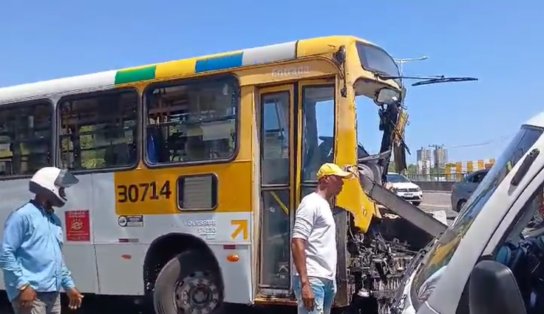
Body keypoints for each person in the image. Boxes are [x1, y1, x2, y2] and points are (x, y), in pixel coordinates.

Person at [0, 167, 84, 314]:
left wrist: (69, 285)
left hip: (53, 292)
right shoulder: (22, 216)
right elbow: (6, 254)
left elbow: (57, 258)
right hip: (31, 294)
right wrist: (23, 287)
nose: (64, 193)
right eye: (61, 189)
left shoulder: (54, 220)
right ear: (49, 187)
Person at [291, 163, 354, 314]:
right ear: (325, 179)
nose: (342, 183)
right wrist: (305, 283)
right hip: (313, 279)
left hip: (326, 280)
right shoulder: (310, 203)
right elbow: (297, 241)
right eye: (338, 178)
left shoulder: (324, 205)